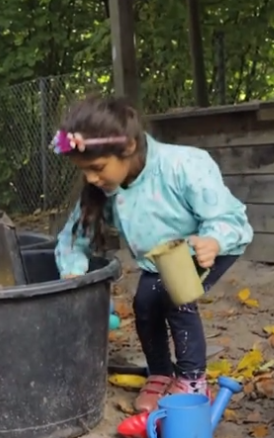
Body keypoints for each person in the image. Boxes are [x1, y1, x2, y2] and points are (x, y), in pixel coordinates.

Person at [52, 96, 253, 414]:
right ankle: (160, 372)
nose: (91, 178)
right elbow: (72, 240)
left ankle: (192, 382)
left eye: (97, 168)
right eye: (84, 171)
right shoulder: (103, 190)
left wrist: (213, 239)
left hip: (210, 245)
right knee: (145, 303)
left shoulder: (184, 165)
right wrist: (74, 275)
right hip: (157, 261)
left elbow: (227, 217)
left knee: (176, 297)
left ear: (128, 147)